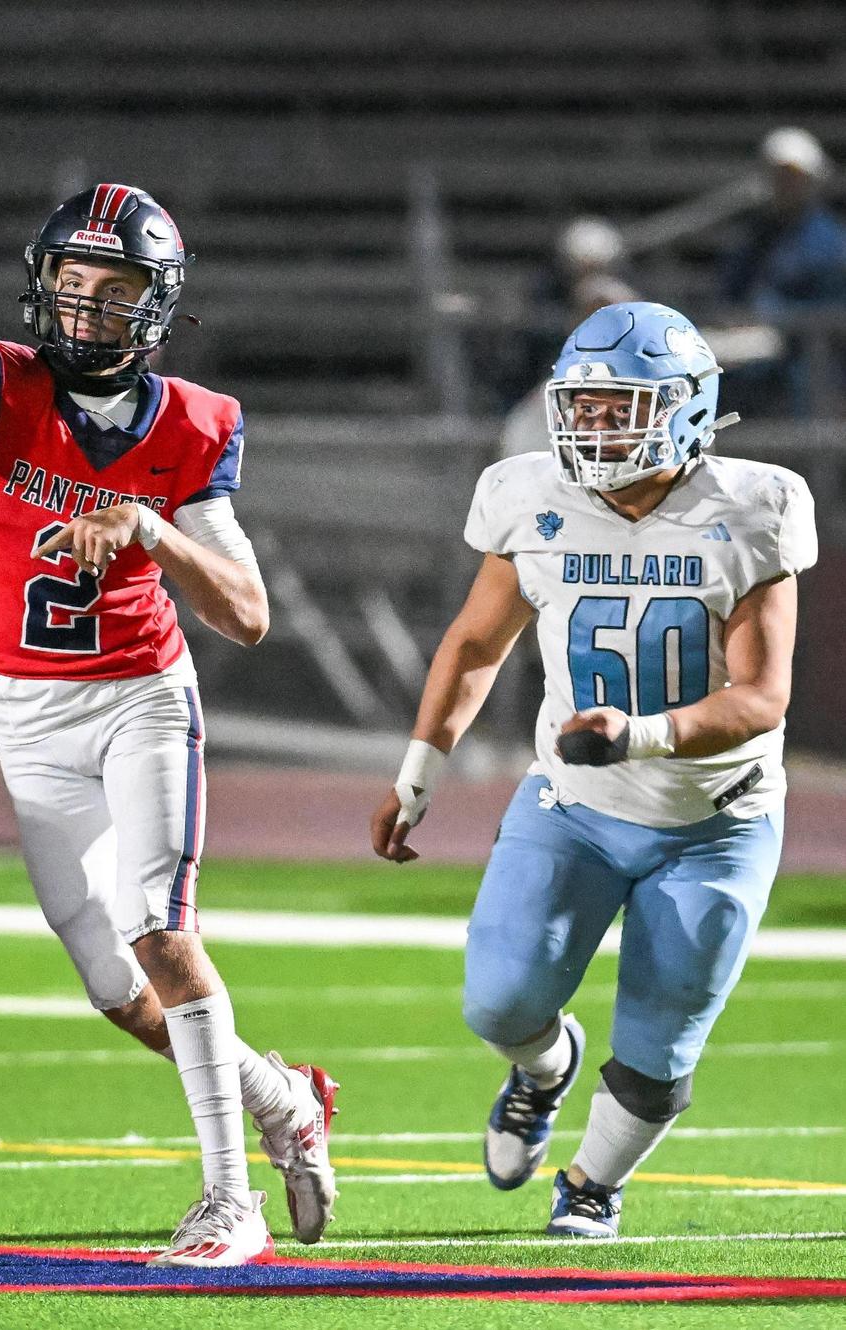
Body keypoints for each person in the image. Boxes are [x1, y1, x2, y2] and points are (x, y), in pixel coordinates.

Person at [0, 184, 337, 1267]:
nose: (84, 309)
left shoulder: (194, 423)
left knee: (163, 933)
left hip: (140, 698)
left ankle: (231, 1203)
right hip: (25, 711)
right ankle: (288, 1100)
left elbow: (249, 615)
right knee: (121, 995)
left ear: (154, 306)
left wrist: (154, 531)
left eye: (112, 291)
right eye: (71, 285)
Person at [371, 301, 816, 1238]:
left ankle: (592, 1186)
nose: (596, 426)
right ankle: (543, 1068)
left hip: (716, 816)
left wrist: (641, 735)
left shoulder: (754, 505)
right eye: (586, 406)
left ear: (689, 409)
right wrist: (418, 772)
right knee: (500, 999)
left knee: (660, 1046)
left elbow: (761, 698)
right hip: (574, 801)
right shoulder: (530, 493)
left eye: (623, 408)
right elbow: (475, 642)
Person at [720, 127, 846, 416]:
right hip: (754, 357)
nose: (785, 185)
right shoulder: (756, 236)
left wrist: (774, 320)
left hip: (808, 362)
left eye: (793, 177)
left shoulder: (828, 241)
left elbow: (830, 310)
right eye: (778, 177)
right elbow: (731, 291)